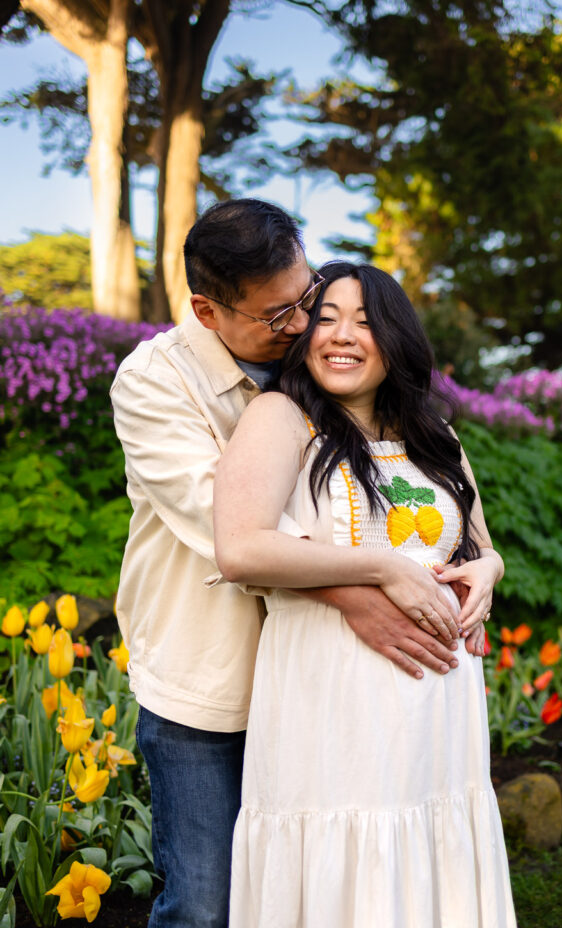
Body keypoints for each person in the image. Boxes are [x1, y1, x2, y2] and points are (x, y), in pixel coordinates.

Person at [110, 200, 474, 928]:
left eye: (305, 298)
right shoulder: (155, 383)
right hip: (211, 681)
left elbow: (427, 508)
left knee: (309, 893)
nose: (303, 325)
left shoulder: (329, 382)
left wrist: (479, 567)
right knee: (206, 904)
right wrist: (365, 583)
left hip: (319, 693)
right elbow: (235, 530)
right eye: (278, 316)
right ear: (208, 311)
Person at [214, 261, 516, 927]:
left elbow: (478, 546)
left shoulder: (435, 437)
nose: (340, 335)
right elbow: (239, 548)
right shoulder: (282, 418)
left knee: (425, 853)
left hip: (438, 710)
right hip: (332, 702)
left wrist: (487, 574)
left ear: (394, 338)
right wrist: (380, 566)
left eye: (363, 321)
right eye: (324, 318)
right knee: (343, 856)